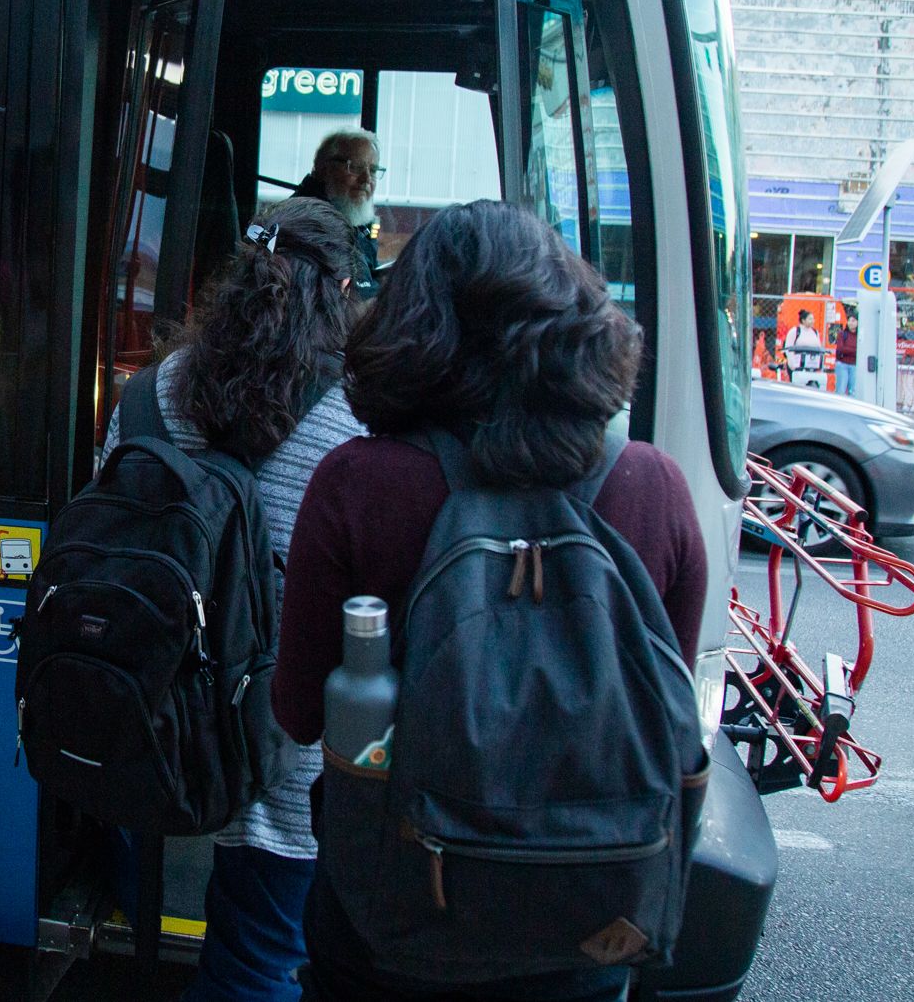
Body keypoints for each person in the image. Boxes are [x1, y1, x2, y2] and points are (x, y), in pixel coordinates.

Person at [273, 200, 707, 1002]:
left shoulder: (357, 485)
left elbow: (301, 711)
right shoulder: (653, 487)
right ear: (577, 318)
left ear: (410, 323)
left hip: (390, 927)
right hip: (589, 926)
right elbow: (669, 709)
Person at [100, 196, 367, 1002]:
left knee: (140, 919)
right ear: (341, 290)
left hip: (150, 724)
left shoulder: (148, 395)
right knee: (257, 961)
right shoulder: (356, 422)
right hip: (275, 743)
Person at [294, 130, 384, 300]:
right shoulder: (309, 223)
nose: (366, 179)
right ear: (322, 169)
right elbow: (355, 300)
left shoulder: (352, 217)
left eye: (372, 171)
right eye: (355, 168)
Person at [834, 307, 860, 394]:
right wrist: (854, 351)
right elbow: (841, 348)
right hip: (842, 364)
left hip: (854, 365)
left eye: (853, 321)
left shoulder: (859, 336)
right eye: (849, 321)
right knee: (841, 389)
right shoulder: (842, 334)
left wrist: (849, 350)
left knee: (852, 391)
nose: (850, 323)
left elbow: (860, 351)